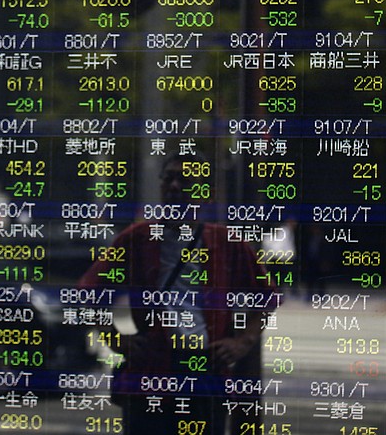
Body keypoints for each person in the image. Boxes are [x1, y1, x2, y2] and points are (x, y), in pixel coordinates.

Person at [79, 153, 275, 435]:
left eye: (184, 180)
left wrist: (243, 342)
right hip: (150, 374)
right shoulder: (137, 238)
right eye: (168, 178)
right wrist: (115, 338)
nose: (173, 186)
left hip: (205, 373)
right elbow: (88, 293)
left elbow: (266, 298)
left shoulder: (226, 242)